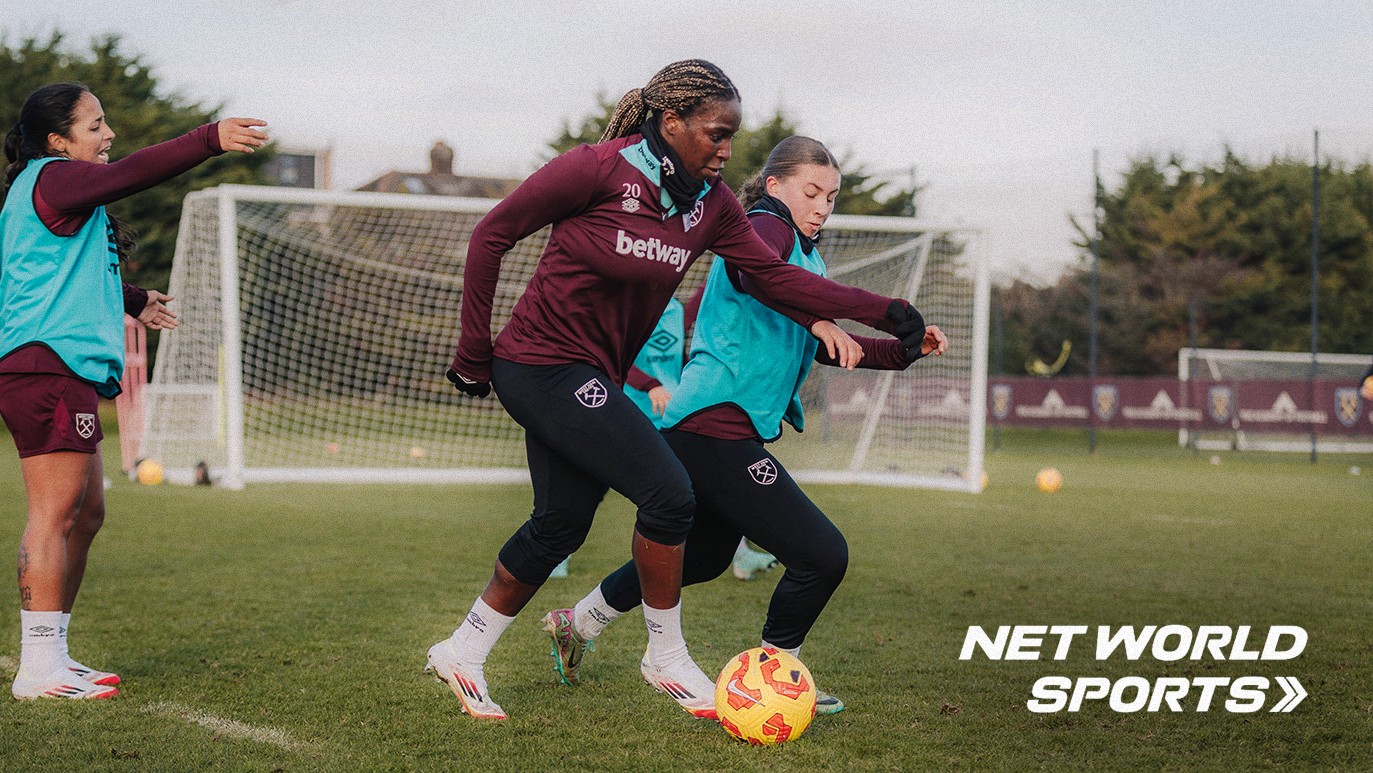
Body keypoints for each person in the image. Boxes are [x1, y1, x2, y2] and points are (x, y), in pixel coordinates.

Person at [432, 60, 929, 720]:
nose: (726, 150)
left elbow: (776, 280)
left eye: (732, 136)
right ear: (670, 122)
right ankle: (664, 657)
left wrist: (883, 310)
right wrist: (473, 355)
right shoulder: (596, 168)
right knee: (668, 492)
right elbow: (490, 233)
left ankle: (462, 650)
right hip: (538, 363)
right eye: (715, 133)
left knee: (559, 526)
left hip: (593, 376)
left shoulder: (711, 206)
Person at [540, 136, 948, 715]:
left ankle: (576, 622)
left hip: (715, 432)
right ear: (776, 185)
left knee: (702, 558)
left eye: (831, 197)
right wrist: (850, 311)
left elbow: (825, 345)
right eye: (811, 192)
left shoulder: (809, 260)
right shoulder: (763, 226)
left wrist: (900, 353)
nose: (822, 207)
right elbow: (763, 279)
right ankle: (773, 677)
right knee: (822, 554)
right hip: (711, 427)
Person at [1, 83, 266, 700]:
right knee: (55, 513)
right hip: (46, 367)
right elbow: (133, 174)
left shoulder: (50, 190)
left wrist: (133, 299)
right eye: (95, 126)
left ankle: (54, 655)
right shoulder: (53, 177)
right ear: (57, 140)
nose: (108, 134)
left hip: (61, 367)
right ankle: (37, 669)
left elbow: (51, 271)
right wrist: (208, 139)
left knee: (88, 513)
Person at [622, 292, 780, 580]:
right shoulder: (629, 305)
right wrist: (650, 385)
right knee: (592, 480)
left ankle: (740, 555)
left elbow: (704, 302)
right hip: (634, 413)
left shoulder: (674, 309)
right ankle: (557, 549)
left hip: (674, 414)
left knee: (700, 485)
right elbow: (620, 357)